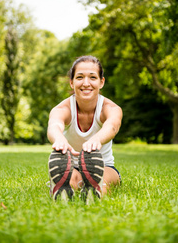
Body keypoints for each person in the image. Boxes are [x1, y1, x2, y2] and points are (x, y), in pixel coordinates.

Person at [47, 55, 123, 202]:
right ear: (71, 82)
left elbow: (112, 126)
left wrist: (96, 140)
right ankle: (63, 186)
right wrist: (59, 139)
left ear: (101, 82)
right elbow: (54, 125)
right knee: (72, 181)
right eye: (80, 77)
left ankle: (94, 189)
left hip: (104, 165)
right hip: (73, 166)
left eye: (92, 77)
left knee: (104, 181)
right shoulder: (63, 108)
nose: (86, 83)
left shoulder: (110, 108)